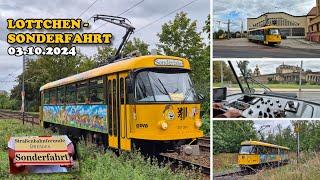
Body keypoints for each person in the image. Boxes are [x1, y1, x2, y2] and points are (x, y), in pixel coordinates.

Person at [8, 135, 74, 174]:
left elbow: (69, 145)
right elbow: (11, 148)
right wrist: (16, 158)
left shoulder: (55, 132)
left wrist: (68, 155)